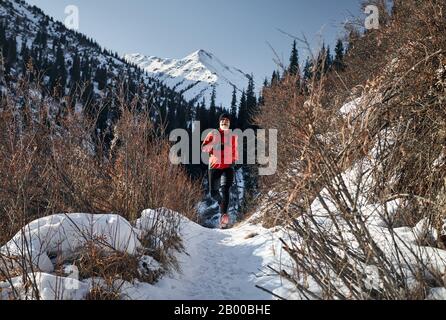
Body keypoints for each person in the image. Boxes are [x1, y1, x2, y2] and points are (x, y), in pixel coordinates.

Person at [201, 113, 239, 228]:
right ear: (219, 122)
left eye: (226, 121)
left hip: (228, 166)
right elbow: (204, 148)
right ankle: (220, 202)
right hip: (214, 166)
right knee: (214, 193)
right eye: (222, 120)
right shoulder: (213, 133)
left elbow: (235, 150)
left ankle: (223, 216)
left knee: (225, 189)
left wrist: (235, 161)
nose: (224, 122)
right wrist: (215, 145)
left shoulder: (233, 136)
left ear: (229, 123)